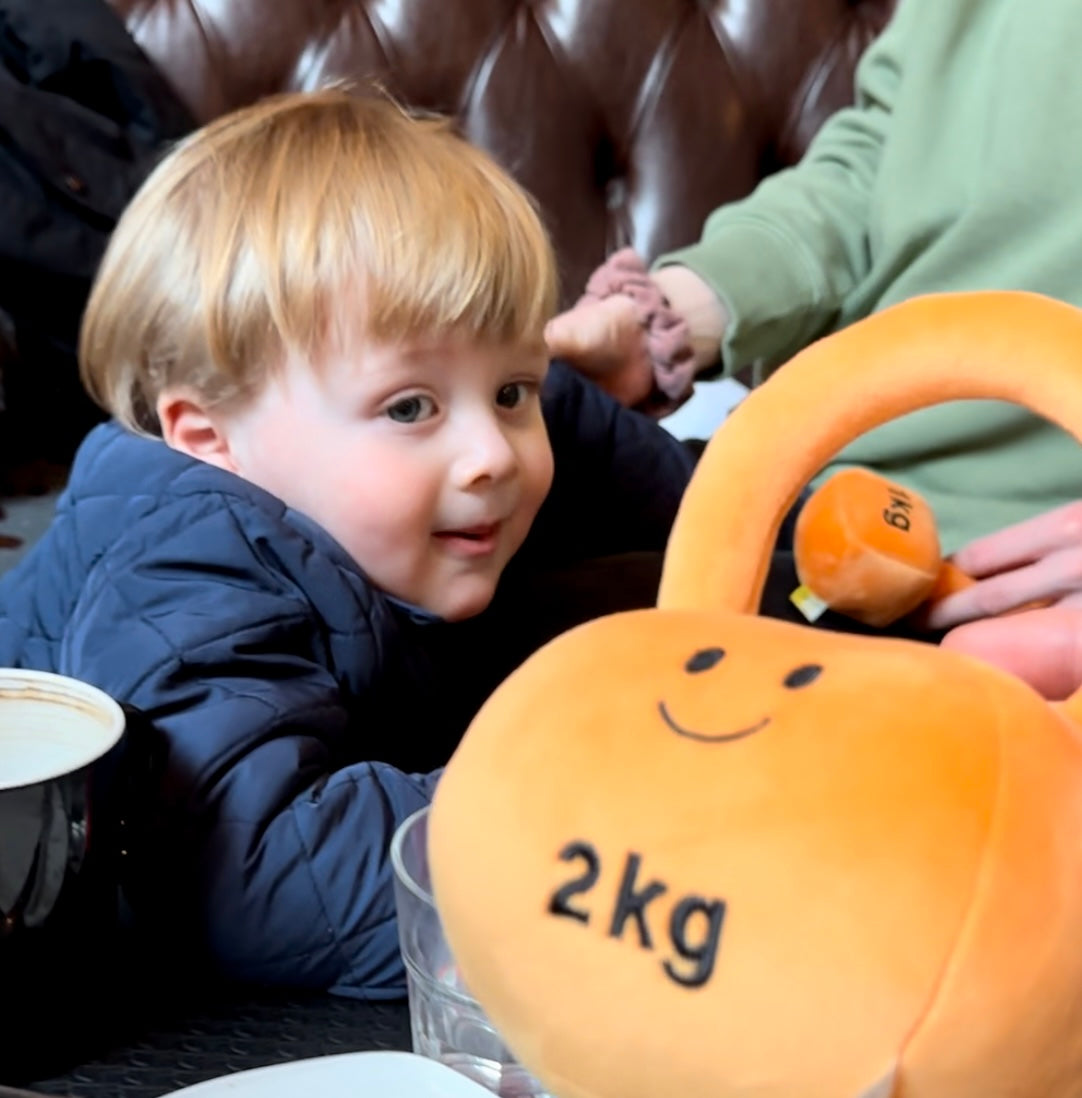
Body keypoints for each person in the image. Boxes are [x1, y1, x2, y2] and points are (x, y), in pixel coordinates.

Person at [0, 88, 698, 997]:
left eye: (508, 390)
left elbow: (608, 443)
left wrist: (800, 541)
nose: (493, 453)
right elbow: (269, 883)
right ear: (212, 438)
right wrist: (617, 788)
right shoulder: (184, 565)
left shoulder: (465, 447)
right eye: (410, 407)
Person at [545, 0, 1082, 699]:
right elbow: (871, 169)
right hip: (792, 471)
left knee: (554, 653)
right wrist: (662, 322)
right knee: (516, 429)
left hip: (966, 564)